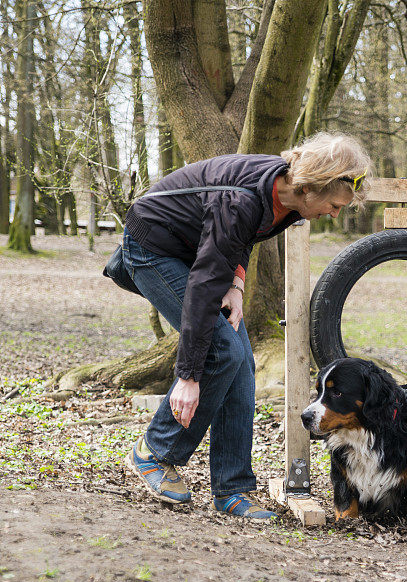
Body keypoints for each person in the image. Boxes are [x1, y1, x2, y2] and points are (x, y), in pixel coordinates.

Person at [122, 132, 373, 519]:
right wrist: (188, 377)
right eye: (335, 205)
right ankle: (154, 451)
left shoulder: (287, 200)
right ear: (310, 187)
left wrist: (236, 282)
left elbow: (239, 240)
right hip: (152, 248)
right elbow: (205, 282)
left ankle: (232, 490)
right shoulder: (240, 199)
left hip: (198, 252)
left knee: (242, 361)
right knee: (223, 348)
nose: (335, 214)